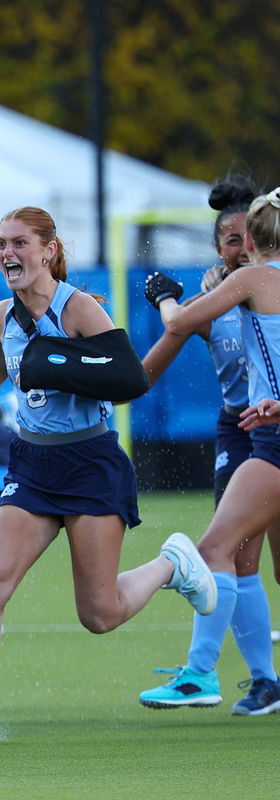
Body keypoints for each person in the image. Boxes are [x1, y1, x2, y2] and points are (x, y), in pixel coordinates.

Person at [0, 206, 217, 745]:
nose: (7, 254)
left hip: (89, 465)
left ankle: (171, 564)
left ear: (48, 251)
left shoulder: (78, 309)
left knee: (99, 613)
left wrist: (58, 363)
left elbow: (129, 377)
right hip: (32, 466)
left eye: (18, 243)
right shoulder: (2, 316)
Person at [139, 187, 280, 716]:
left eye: (246, 235)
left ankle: (200, 674)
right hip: (250, 431)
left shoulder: (248, 282)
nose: (239, 245)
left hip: (269, 438)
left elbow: (175, 322)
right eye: (228, 238)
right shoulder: (237, 287)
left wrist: (163, 297)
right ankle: (262, 681)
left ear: (258, 237)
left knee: (211, 551)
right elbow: (149, 370)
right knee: (238, 556)